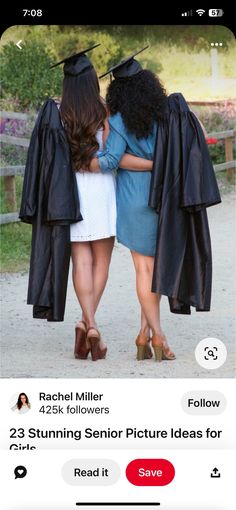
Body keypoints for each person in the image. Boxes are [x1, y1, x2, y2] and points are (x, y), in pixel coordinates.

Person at [53, 45, 153, 361]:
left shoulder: (58, 114)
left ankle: (90, 323)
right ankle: (89, 324)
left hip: (72, 194)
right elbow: (112, 156)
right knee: (102, 263)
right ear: (93, 82)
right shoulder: (104, 111)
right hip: (102, 193)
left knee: (80, 261)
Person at [89, 48, 176, 362]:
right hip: (161, 196)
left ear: (116, 90)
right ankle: (144, 335)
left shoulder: (118, 119)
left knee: (144, 270)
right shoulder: (164, 113)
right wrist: (157, 164)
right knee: (154, 272)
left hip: (132, 200)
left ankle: (159, 339)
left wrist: (79, 161)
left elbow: (112, 160)